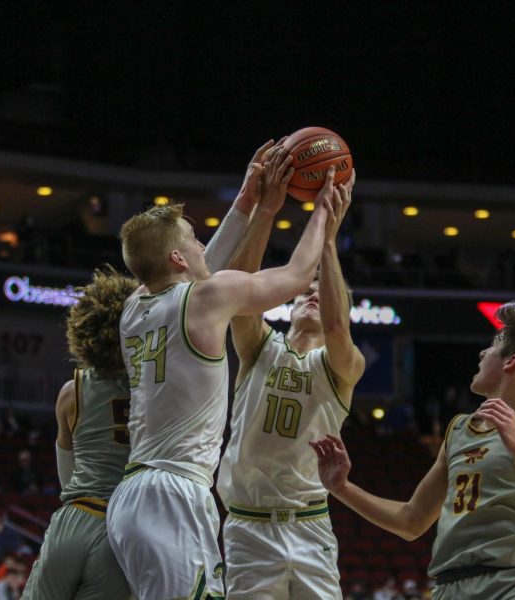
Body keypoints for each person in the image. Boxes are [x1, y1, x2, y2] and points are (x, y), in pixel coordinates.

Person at [106, 139, 342, 599]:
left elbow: (199, 269)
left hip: (134, 494)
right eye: (193, 240)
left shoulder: (134, 307)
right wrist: (324, 214)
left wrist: (252, 202)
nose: (201, 246)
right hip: (174, 493)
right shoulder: (206, 299)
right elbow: (296, 276)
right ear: (177, 258)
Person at [311, 302, 515, 600]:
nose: (482, 353)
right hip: (450, 587)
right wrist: (342, 488)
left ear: (510, 362)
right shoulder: (458, 430)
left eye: (494, 345)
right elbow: (411, 521)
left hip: (512, 585)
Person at [216, 148, 364, 598]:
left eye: (324, 291)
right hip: (249, 527)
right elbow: (237, 290)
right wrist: (266, 211)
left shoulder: (342, 367)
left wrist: (328, 240)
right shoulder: (260, 347)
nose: (312, 294)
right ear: (291, 302)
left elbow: (338, 327)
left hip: (309, 525)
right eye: (306, 290)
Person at [21, 266, 138, 600]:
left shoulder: (72, 392)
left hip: (77, 515)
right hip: (122, 528)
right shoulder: (155, 392)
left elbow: (67, 477)